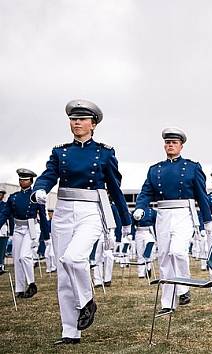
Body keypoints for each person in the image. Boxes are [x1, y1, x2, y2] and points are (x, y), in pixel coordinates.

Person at [31, 99, 131, 344]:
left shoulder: (105, 152)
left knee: (73, 258)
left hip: (91, 211)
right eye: (73, 119)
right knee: (64, 275)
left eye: (82, 119)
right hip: (63, 211)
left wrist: (125, 220)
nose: (76, 123)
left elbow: (115, 188)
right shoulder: (60, 152)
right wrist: (40, 190)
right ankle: (69, 331)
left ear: (93, 124)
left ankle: (87, 300)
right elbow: (48, 176)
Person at [133, 127, 211, 314]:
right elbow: (146, 192)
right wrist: (140, 207)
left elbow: (202, 195)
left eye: (174, 143)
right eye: (168, 142)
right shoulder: (155, 169)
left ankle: (184, 288)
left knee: (178, 252)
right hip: (163, 215)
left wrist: (206, 221)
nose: (170, 145)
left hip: (184, 214)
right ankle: (167, 303)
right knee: (165, 257)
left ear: (181, 146)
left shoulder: (192, 167)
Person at [0, 168, 49, 298]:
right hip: (18, 228)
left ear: (31, 181)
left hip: (31, 227)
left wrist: (46, 236)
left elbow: (43, 217)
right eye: (20, 179)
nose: (22, 182)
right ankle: (20, 289)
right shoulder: (13, 197)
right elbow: (4, 215)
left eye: (25, 180)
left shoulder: (35, 196)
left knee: (24, 256)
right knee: (17, 259)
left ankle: (32, 284)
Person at [132, 207, 156, 278]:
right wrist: (132, 234)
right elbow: (132, 223)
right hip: (139, 231)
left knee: (149, 252)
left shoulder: (152, 211)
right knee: (140, 252)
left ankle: (148, 267)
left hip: (149, 231)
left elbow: (155, 222)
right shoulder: (136, 211)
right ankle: (141, 273)